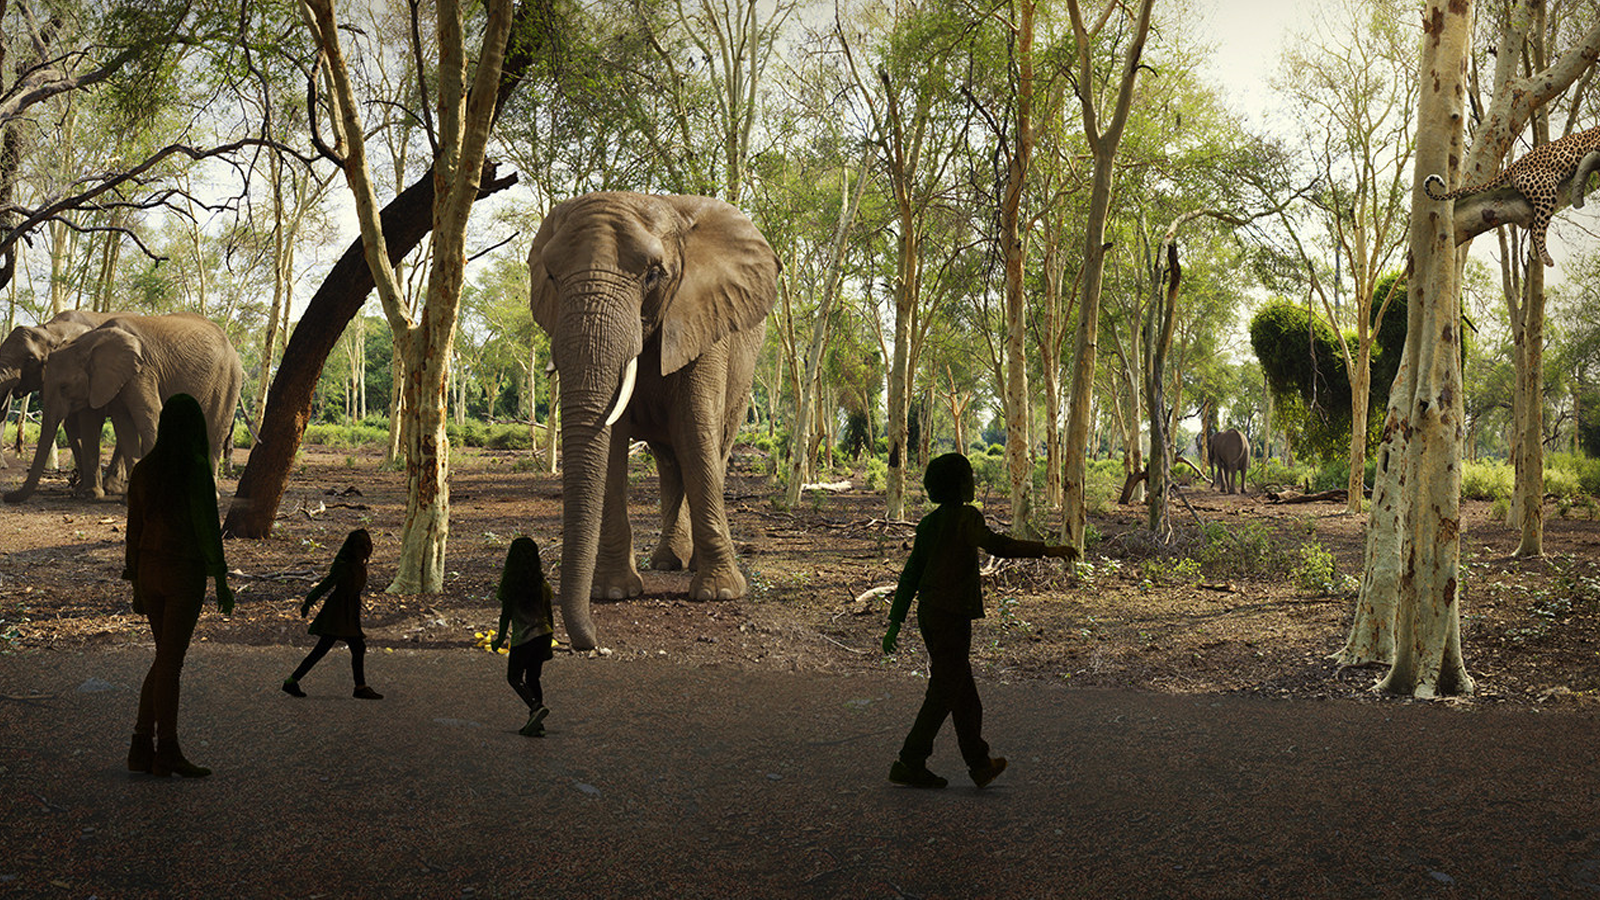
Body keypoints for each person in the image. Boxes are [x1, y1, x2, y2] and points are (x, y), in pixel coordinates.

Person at [882, 452, 1072, 789]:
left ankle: (979, 764)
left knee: (962, 693)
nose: (973, 481)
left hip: (930, 614)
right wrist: (1048, 550)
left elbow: (910, 575)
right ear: (958, 485)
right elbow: (999, 545)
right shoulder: (966, 518)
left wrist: (896, 621)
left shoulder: (928, 524)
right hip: (952, 616)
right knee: (944, 691)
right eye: (969, 476)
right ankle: (910, 760)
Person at [123, 393, 235, 778]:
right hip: (183, 572)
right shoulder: (196, 467)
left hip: (150, 571)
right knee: (171, 663)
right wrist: (220, 578)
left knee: (163, 659)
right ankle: (166, 750)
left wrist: (136, 582)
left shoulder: (145, 470)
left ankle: (141, 747)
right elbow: (207, 530)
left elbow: (132, 532)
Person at [282, 528, 381, 700]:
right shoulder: (345, 567)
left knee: (335, 649)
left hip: (349, 612)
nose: (365, 548)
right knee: (336, 649)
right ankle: (359, 687)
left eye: (367, 544)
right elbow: (326, 584)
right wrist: (309, 602)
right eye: (361, 545)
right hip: (338, 613)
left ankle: (292, 681)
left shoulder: (358, 565)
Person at [490, 536, 555, 737]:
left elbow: (505, 617)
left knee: (514, 677)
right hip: (543, 635)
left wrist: (499, 641)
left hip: (524, 638)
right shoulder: (542, 584)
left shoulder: (510, 586)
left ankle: (536, 708)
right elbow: (549, 614)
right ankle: (536, 724)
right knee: (533, 678)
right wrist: (550, 642)